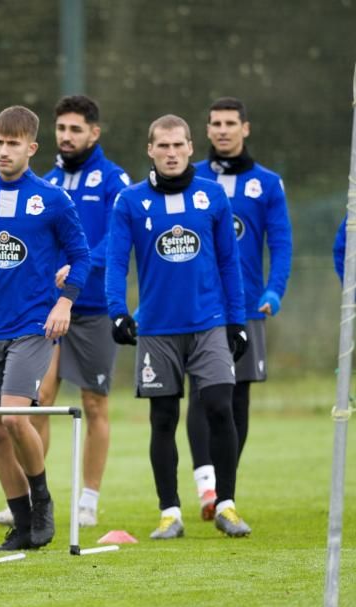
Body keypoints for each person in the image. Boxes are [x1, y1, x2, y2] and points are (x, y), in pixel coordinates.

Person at [0, 105, 90, 551]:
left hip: (33, 326)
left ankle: (41, 500)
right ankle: (24, 521)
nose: (4, 151)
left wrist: (65, 301)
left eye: (13, 144)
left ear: (31, 147)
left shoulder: (52, 199)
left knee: (14, 416)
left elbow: (82, 256)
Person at [105, 114, 251, 540]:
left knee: (221, 409)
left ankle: (226, 504)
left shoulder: (212, 197)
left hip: (209, 324)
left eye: (178, 145)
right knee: (163, 418)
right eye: (162, 146)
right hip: (157, 330)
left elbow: (230, 263)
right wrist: (118, 310)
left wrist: (237, 321)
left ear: (191, 148)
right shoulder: (129, 202)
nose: (171, 153)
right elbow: (116, 261)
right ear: (150, 150)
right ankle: (170, 511)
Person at [22, 95, 130, 529]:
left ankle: (88, 499)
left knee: (94, 403)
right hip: (49, 309)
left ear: (94, 133)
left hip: (95, 307)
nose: (66, 137)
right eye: (61, 129)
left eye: (75, 130)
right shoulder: (44, 182)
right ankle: (36, 499)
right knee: (40, 401)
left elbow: (118, 241)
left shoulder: (113, 180)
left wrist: (81, 262)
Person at [184, 97, 293, 520]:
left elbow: (280, 243)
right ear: (206, 131)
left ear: (245, 128)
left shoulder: (266, 184)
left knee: (236, 400)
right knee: (199, 395)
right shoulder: (187, 178)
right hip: (197, 307)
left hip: (245, 306)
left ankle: (226, 486)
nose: (223, 130)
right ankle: (207, 489)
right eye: (216, 123)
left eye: (231, 123)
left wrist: (274, 290)